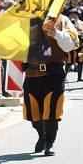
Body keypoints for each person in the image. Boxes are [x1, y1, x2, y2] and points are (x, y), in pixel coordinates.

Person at [22, 11, 78, 156]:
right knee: (34, 114)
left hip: (53, 73)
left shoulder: (63, 20)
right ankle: (41, 134)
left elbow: (70, 46)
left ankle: (49, 142)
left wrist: (56, 34)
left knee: (52, 110)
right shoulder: (26, 18)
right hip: (32, 73)